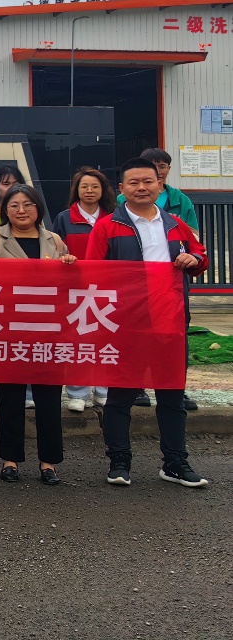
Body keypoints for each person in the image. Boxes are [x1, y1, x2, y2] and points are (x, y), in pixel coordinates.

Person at [88, 157, 210, 488]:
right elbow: (92, 273)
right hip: (127, 325)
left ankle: (174, 462)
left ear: (159, 184)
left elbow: (201, 257)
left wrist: (194, 258)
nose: (141, 187)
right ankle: (119, 461)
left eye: (148, 181)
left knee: (172, 397)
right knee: (120, 397)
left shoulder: (175, 224)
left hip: (170, 323)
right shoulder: (108, 227)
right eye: (134, 182)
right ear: (121, 189)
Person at [0, 184, 76, 485]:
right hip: (7, 330)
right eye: (14, 205)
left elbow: (68, 289)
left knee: (49, 398)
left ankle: (49, 462)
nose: (21, 210)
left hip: (48, 331)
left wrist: (70, 266)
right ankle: (10, 460)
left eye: (28, 205)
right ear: (5, 209)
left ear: (38, 208)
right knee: (10, 398)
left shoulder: (54, 241)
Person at [52, 166, 117, 411]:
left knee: (105, 340)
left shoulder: (113, 218)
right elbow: (56, 249)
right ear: (76, 190)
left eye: (95, 186)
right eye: (84, 186)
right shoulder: (64, 218)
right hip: (75, 289)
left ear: (103, 190)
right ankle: (77, 393)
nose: (89, 191)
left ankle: (103, 390)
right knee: (77, 341)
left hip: (106, 289)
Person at [116, 148, 199, 231]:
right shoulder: (123, 199)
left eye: (162, 167)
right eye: (152, 167)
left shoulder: (181, 200)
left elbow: (193, 233)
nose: (158, 172)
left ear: (169, 168)